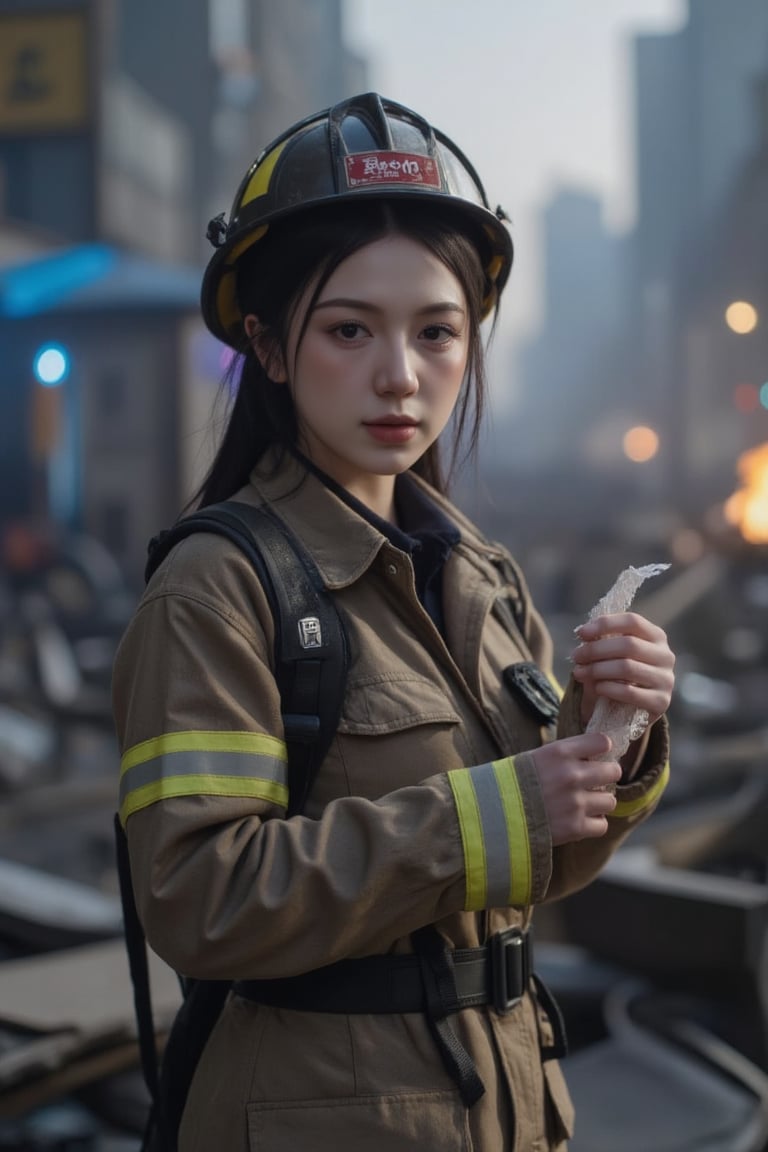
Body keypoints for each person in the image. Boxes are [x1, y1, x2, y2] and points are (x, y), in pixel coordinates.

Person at [112, 92, 675, 1152]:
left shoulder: (481, 579)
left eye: (436, 331)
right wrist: (492, 812)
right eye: (349, 329)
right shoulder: (216, 590)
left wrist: (610, 738)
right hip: (318, 1117)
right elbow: (196, 898)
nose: (400, 376)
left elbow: (540, 864)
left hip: (502, 1102)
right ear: (269, 347)